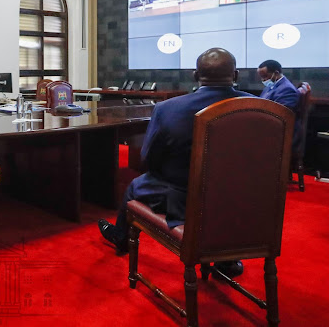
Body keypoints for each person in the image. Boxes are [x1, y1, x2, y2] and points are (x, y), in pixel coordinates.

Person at [97, 48, 252, 278]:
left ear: (194, 75)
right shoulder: (261, 109)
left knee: (134, 186)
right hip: (243, 201)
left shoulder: (168, 109)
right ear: (236, 76)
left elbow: (148, 159)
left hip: (184, 199)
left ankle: (121, 238)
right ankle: (226, 258)